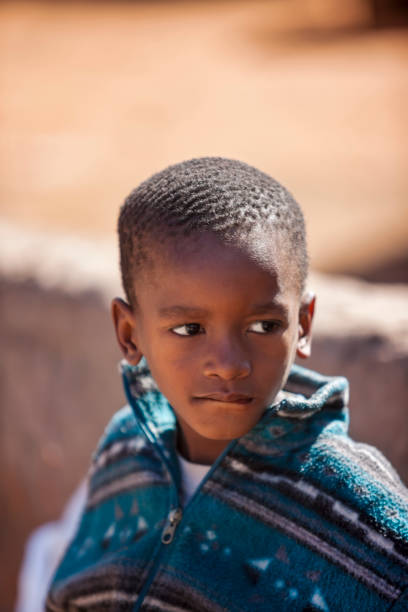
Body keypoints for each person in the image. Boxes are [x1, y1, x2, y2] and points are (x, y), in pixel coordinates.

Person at [46, 157, 408, 611]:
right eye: (189, 330)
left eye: (263, 326)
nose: (229, 365)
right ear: (129, 334)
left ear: (303, 326)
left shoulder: (361, 514)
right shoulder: (125, 451)